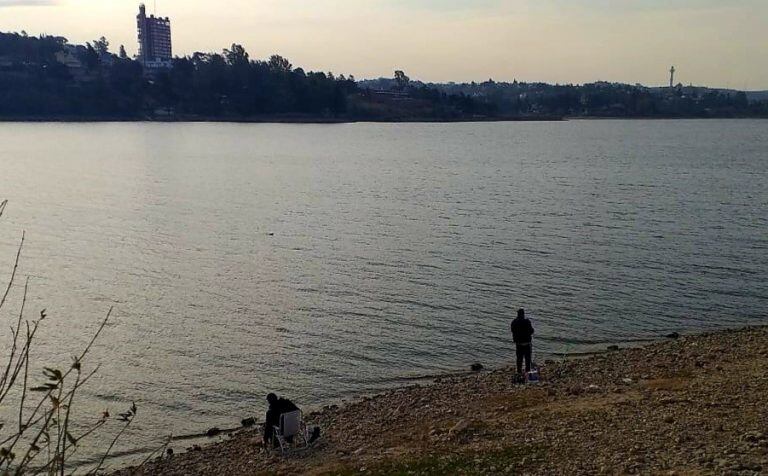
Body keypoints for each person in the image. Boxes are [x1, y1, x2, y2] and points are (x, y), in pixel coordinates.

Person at [510, 308, 534, 376]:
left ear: (517, 314)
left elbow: (512, 330)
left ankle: (519, 372)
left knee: (519, 359)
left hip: (518, 343)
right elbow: (532, 331)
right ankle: (528, 372)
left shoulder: (514, 322)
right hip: (527, 343)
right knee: (527, 359)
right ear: (523, 314)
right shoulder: (527, 321)